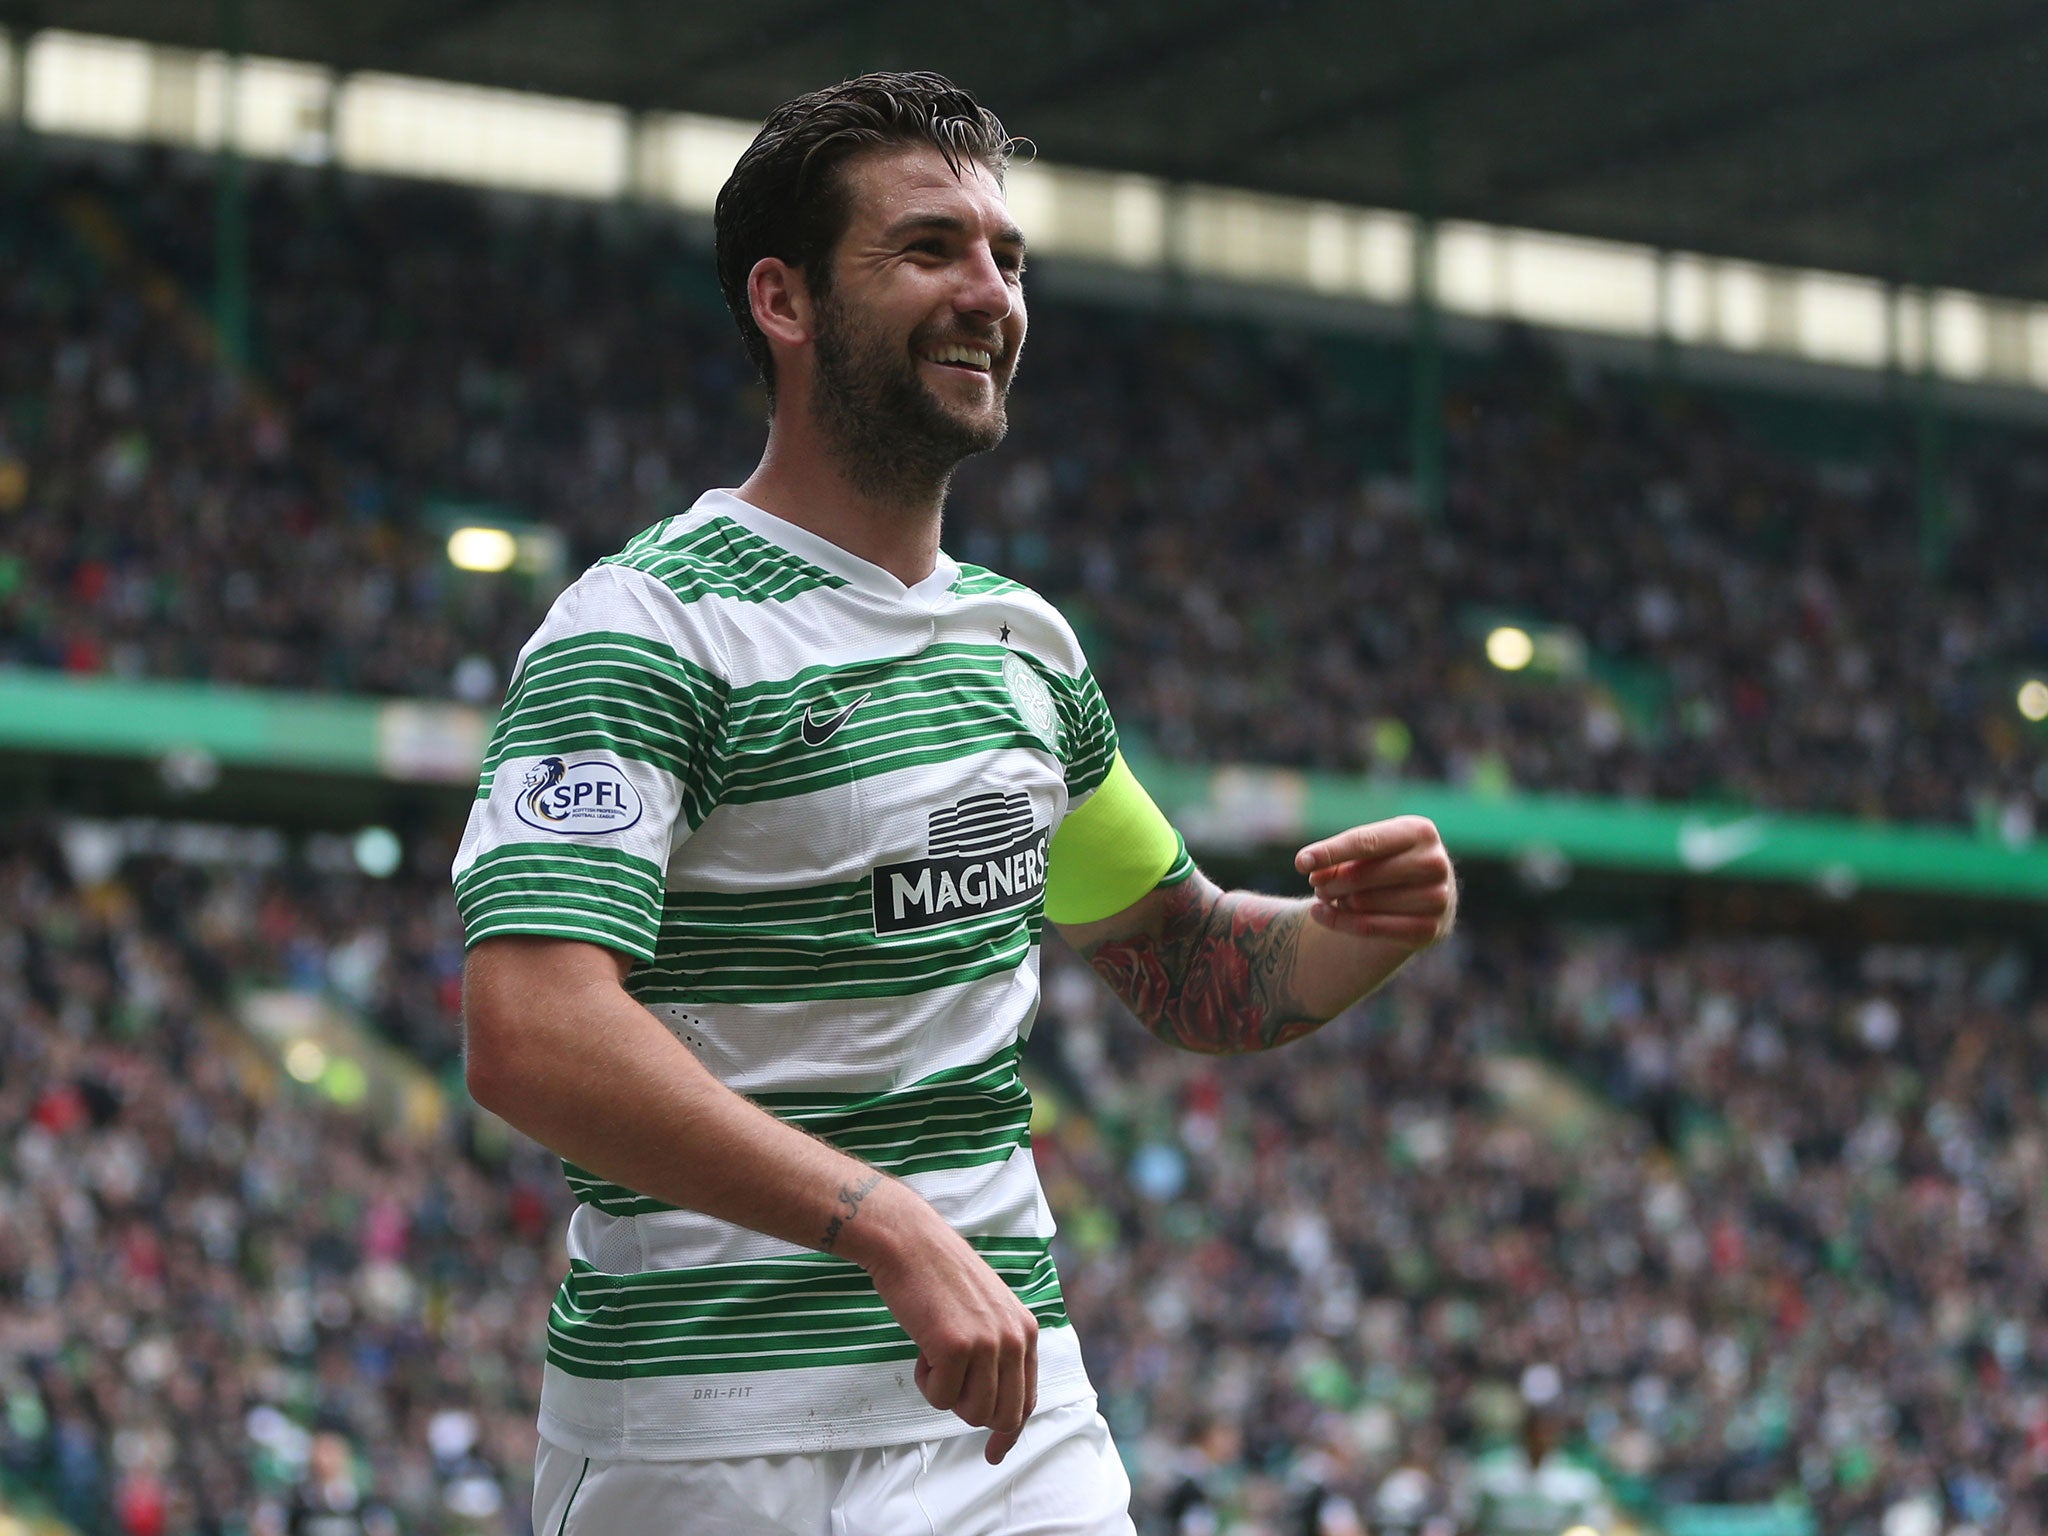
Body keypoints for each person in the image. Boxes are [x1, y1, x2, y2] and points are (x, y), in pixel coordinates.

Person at [455, 71, 1456, 1535]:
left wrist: (1362, 930)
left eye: (1007, 257)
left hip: (1011, 1432)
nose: (989, 292)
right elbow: (531, 1032)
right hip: (706, 1445)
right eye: (930, 248)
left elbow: (1190, 967)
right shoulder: (646, 632)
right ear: (785, 303)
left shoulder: (1025, 648)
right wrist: (883, 1225)